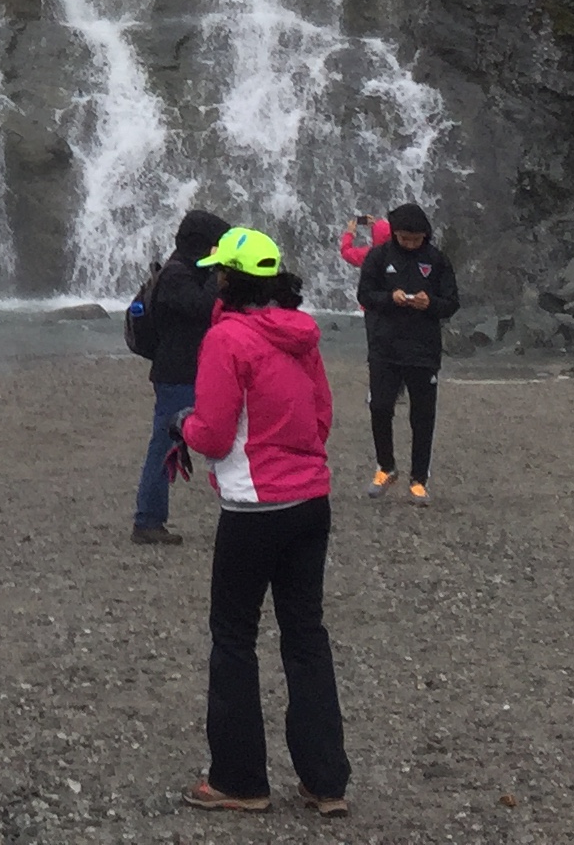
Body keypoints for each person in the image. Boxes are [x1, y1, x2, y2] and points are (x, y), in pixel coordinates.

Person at [177, 228, 348, 818]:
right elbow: (322, 414)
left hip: (252, 508)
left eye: (218, 272)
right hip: (310, 503)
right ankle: (326, 782)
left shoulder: (227, 339)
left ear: (228, 278)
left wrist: (183, 429)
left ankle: (239, 779)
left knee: (233, 640)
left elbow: (216, 432)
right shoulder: (304, 335)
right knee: (306, 637)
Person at [131, 207, 232, 546]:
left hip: (192, 370)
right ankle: (147, 520)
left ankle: (243, 510)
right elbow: (202, 309)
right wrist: (219, 272)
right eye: (216, 245)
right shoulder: (176, 274)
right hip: (177, 375)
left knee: (215, 439)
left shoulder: (186, 269)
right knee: (165, 444)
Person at [353, 201, 456, 503]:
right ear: (395, 233)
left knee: (422, 415)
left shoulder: (437, 260)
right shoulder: (378, 256)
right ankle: (386, 467)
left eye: (416, 238)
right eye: (404, 238)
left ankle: (419, 478)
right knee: (380, 407)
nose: (410, 243)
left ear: (426, 235)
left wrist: (431, 303)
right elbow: (365, 295)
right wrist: (390, 298)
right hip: (385, 346)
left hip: (423, 349)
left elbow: (451, 301)